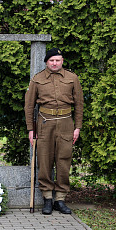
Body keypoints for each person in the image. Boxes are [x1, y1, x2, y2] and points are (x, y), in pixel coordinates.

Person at [24, 48, 83, 215]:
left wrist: (77, 127)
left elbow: (79, 104)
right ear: (46, 62)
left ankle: (61, 199)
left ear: (62, 61)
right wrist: (31, 129)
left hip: (66, 123)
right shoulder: (37, 79)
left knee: (63, 161)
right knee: (44, 161)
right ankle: (48, 198)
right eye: (51, 61)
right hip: (44, 124)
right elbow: (29, 106)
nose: (55, 63)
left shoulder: (72, 78)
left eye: (57, 60)